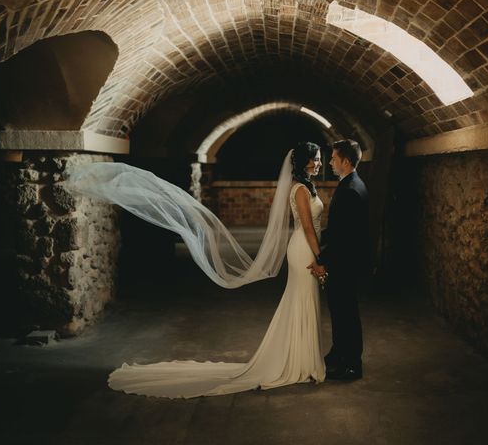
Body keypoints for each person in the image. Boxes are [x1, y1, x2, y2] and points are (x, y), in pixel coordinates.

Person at [63, 141, 327, 398]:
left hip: (305, 246)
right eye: (314, 158)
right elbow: (305, 226)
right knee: (301, 299)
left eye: (319, 158)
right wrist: (320, 256)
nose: (319, 163)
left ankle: (301, 359)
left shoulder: (306, 186)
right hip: (303, 249)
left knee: (303, 300)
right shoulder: (300, 190)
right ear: (303, 161)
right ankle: (298, 362)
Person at [308, 139, 369, 380]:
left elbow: (344, 237)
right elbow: (338, 228)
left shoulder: (351, 190)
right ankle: (337, 353)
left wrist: (322, 259)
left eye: (333, 158)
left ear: (345, 161)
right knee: (339, 310)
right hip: (345, 261)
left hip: (346, 264)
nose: (330, 162)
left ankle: (352, 364)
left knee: (347, 313)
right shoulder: (351, 184)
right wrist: (315, 238)